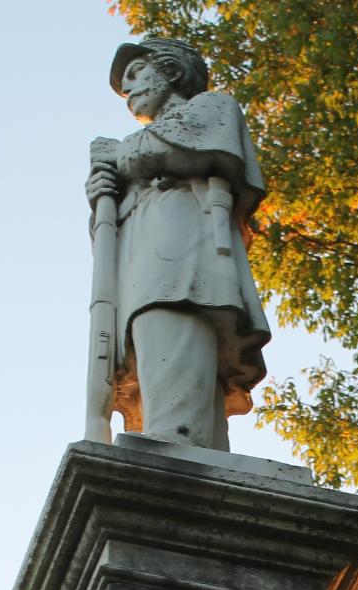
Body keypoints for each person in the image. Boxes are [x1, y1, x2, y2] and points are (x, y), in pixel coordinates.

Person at [86, 38, 271, 451]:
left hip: (182, 262)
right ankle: (186, 442)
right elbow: (111, 240)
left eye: (136, 74)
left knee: (174, 325)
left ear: (169, 71)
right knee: (155, 345)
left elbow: (179, 146)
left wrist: (118, 156)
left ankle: (175, 439)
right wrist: (102, 200)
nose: (129, 90)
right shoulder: (138, 155)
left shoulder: (210, 109)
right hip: (144, 269)